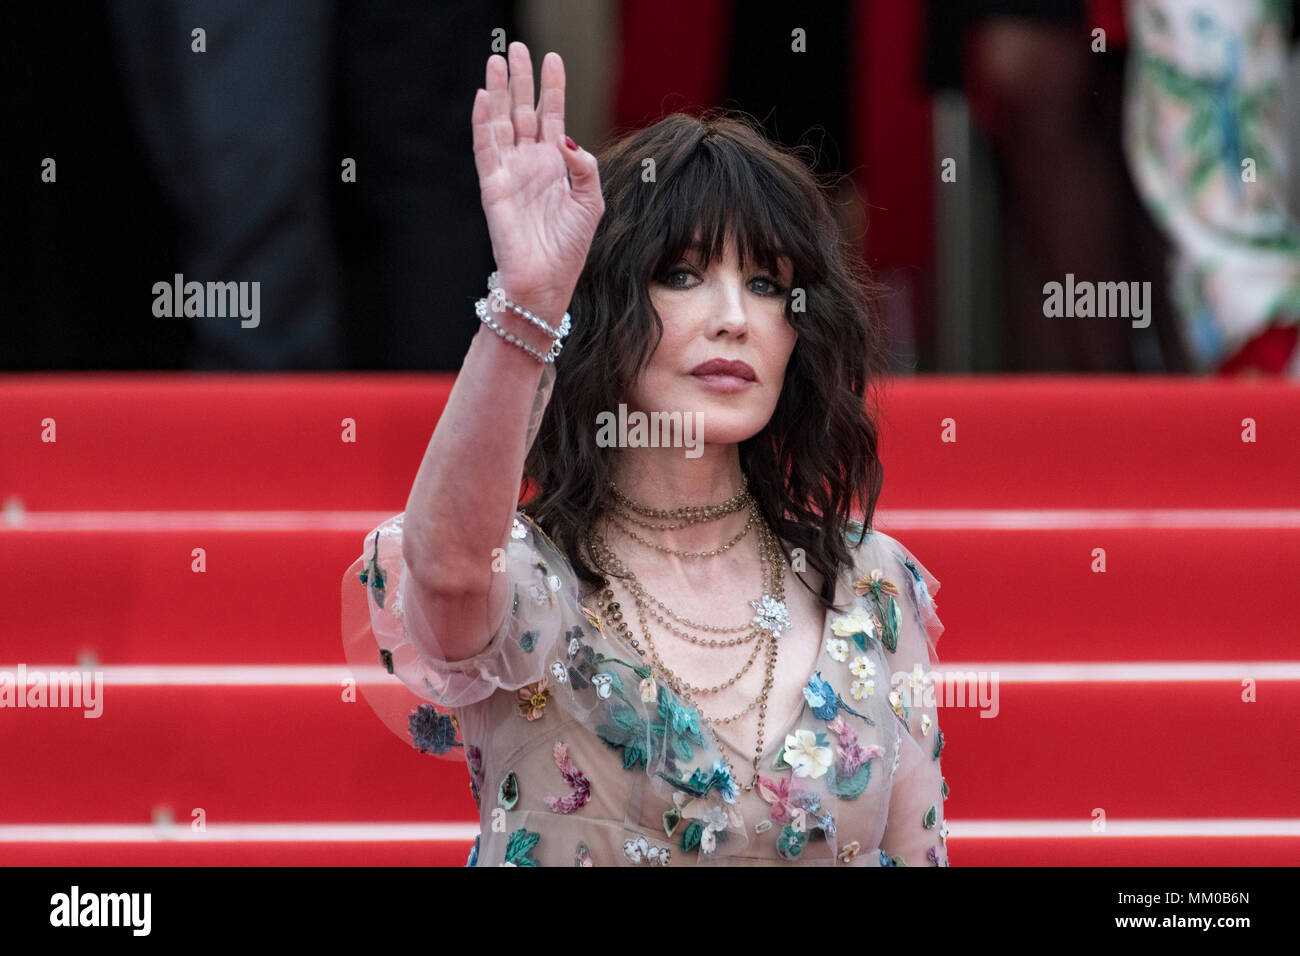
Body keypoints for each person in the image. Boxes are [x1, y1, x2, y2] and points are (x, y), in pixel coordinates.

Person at [342, 42, 951, 867]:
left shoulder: (872, 585)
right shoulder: (524, 579)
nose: (734, 316)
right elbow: (447, 572)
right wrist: (527, 303)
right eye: (684, 274)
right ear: (608, 308)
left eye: (768, 284)